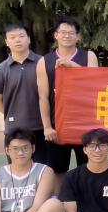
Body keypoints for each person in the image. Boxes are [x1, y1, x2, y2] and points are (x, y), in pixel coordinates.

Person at [37, 16, 99, 191]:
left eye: (71, 33)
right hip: (58, 125)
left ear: (78, 36)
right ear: (56, 35)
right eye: (63, 32)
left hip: (85, 124)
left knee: (89, 167)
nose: (67, 36)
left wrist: (73, 67)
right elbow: (43, 96)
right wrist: (47, 127)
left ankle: (87, 199)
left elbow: (96, 84)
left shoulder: (89, 56)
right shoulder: (44, 61)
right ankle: (61, 200)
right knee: (58, 170)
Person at [0, 23, 47, 164]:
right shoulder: (0, 70)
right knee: (17, 168)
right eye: (12, 37)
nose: (17, 40)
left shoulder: (43, 63)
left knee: (43, 169)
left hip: (42, 128)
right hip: (14, 130)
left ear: (29, 39)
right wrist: (13, 114)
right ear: (7, 42)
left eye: (21, 36)